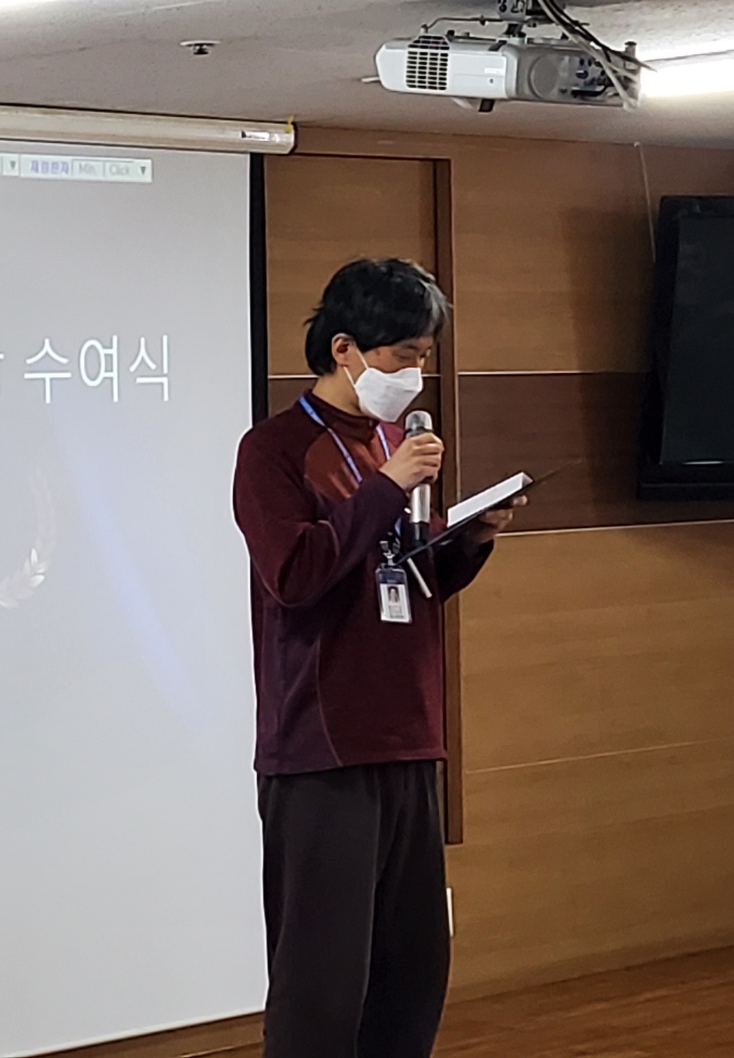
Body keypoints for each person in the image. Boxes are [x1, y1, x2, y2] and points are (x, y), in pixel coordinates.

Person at [232, 258, 521, 1058]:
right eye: (403, 356)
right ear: (344, 348)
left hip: (407, 733)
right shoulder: (273, 450)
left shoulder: (396, 444)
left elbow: (407, 577)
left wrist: (470, 538)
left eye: (424, 356)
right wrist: (386, 488)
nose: (414, 373)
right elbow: (294, 575)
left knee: (411, 972)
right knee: (322, 982)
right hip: (321, 748)